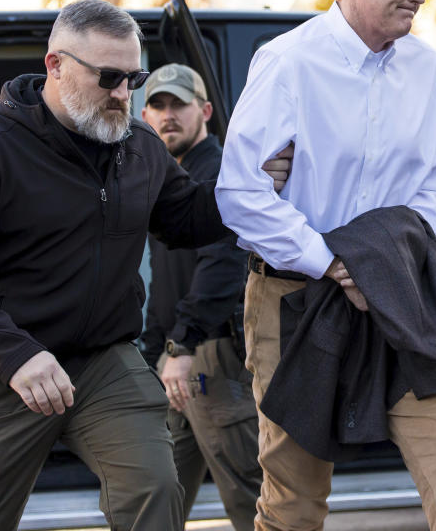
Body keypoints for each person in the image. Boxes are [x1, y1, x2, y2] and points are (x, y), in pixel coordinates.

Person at [0, 0, 283, 531]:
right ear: (55, 66)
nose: (122, 94)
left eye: (133, 78)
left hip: (104, 362)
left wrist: (257, 184)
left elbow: (189, 219)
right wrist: (15, 356)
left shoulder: (140, 145)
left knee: (154, 491)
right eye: (108, 77)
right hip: (4, 368)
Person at [215, 0, 436, 531]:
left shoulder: (425, 68)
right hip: (296, 299)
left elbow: (433, 185)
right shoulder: (287, 62)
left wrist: (384, 262)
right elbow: (239, 193)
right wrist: (336, 262)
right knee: (294, 497)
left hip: (396, 298)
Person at [139, 63, 261, 531]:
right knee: (157, 492)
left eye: (179, 105)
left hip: (211, 358)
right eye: (159, 106)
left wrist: (182, 346)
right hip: (177, 361)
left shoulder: (218, 173)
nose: (168, 116)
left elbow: (223, 266)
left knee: (249, 494)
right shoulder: (166, 179)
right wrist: (158, 350)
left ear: (205, 111)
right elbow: (166, 282)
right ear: (145, 116)